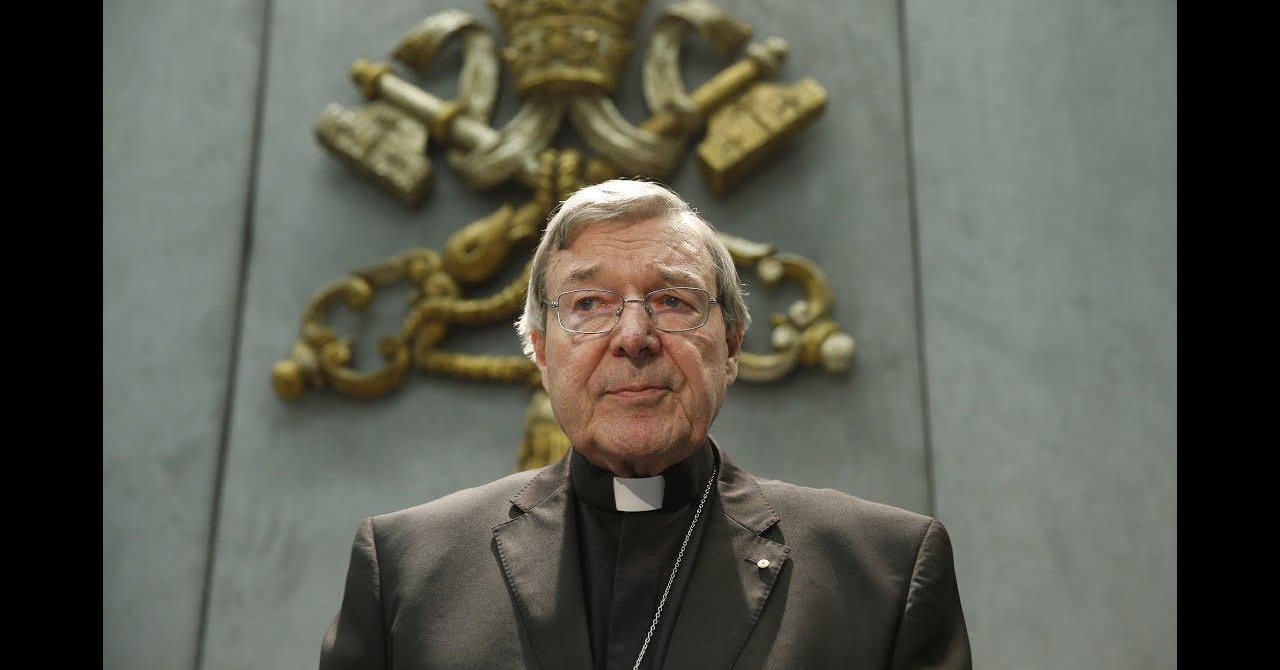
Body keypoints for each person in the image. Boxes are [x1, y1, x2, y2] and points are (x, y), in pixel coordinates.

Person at [319, 179, 972, 669]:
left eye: (673, 300)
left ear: (732, 345)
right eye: (589, 303)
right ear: (541, 351)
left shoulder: (881, 574)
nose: (634, 336)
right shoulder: (409, 571)